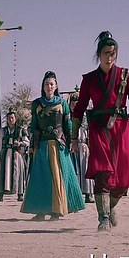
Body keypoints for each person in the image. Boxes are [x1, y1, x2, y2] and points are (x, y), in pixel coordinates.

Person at [71, 31, 129, 232]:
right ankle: (103, 218)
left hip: (120, 129)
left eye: (113, 53)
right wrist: (74, 137)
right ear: (99, 54)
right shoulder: (89, 79)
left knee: (122, 178)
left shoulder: (126, 76)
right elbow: (79, 109)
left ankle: (111, 206)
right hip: (98, 129)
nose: (110, 57)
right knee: (102, 173)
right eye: (106, 53)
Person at [22, 71, 85, 220]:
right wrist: (32, 145)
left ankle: (57, 210)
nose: (49, 86)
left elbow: (67, 124)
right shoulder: (37, 104)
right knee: (41, 177)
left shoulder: (62, 103)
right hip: (42, 144)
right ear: (43, 86)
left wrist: (71, 141)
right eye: (46, 84)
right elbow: (34, 126)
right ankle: (41, 211)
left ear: (56, 86)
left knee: (58, 177)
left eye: (51, 84)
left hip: (58, 145)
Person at [0, 110, 29, 202]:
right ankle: (0, 195)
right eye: (9, 118)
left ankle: (20, 194)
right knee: (2, 173)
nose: (11, 120)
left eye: (12, 118)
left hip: (16, 153)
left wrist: (20, 143)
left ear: (15, 119)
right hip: (5, 154)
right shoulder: (3, 131)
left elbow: (27, 142)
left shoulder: (21, 130)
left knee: (18, 172)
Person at [69, 93, 94, 203]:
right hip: (70, 147)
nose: (74, 106)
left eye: (76, 104)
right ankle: (75, 195)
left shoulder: (84, 116)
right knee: (74, 171)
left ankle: (88, 194)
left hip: (83, 145)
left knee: (85, 169)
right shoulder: (67, 117)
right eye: (72, 104)